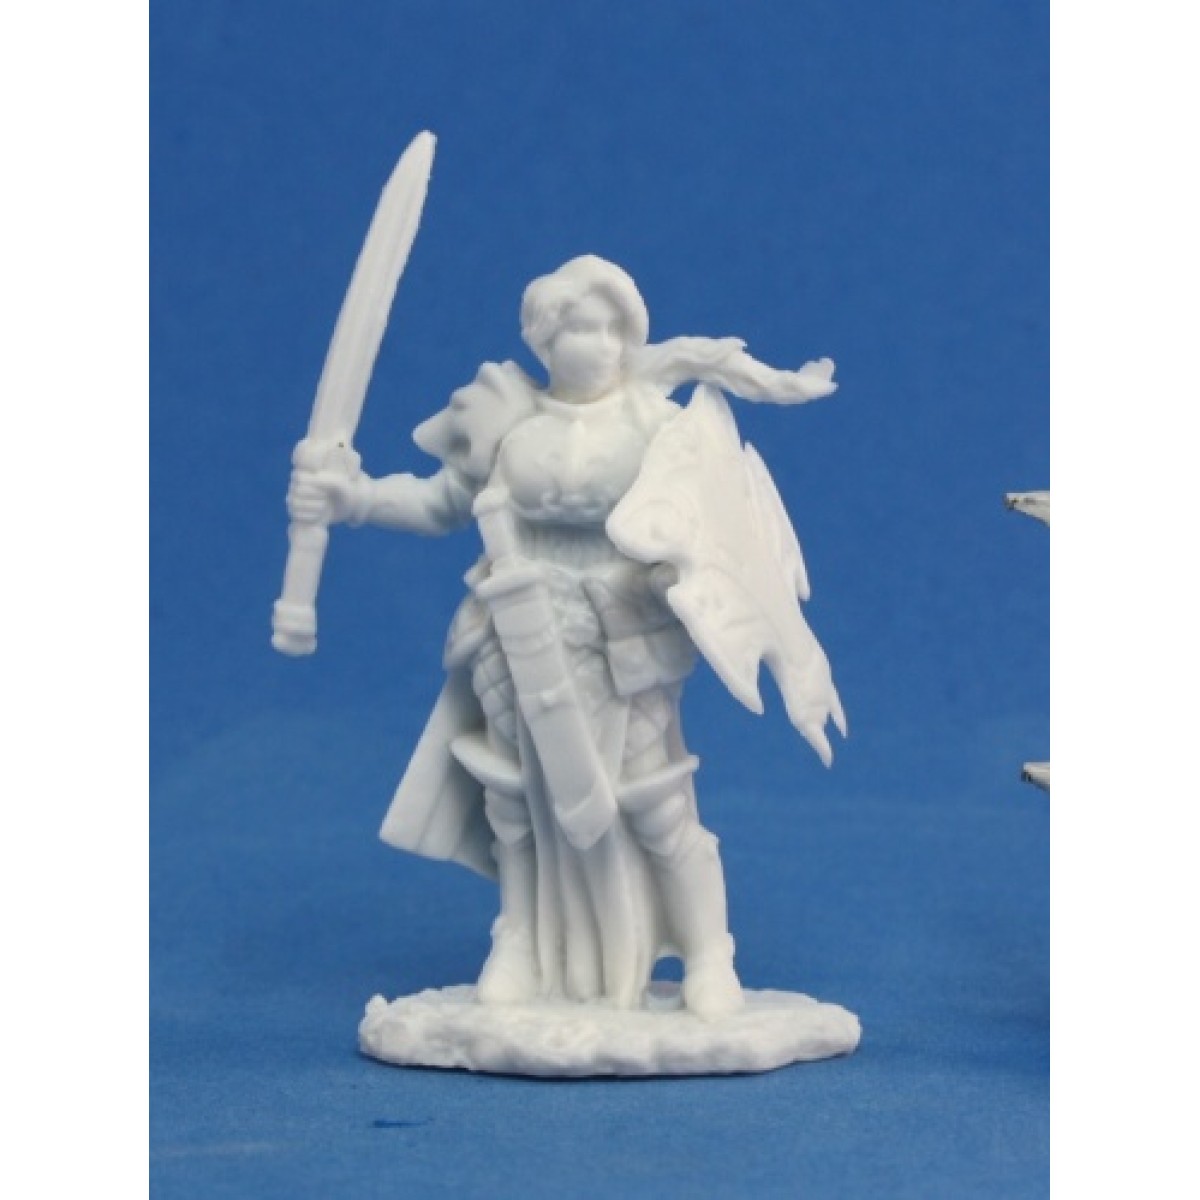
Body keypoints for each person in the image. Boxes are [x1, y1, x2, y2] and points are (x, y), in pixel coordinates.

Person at [287, 255, 843, 1019]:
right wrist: (351, 498)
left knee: (655, 802)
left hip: (624, 637)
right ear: (545, 337)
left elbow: (710, 530)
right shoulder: (507, 420)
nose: (605, 344)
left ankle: (710, 953)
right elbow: (439, 502)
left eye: (617, 328)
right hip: (513, 626)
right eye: (586, 327)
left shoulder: (660, 425)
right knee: (514, 799)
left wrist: (683, 584)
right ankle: (519, 941)